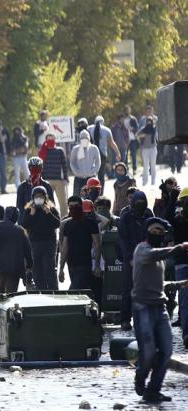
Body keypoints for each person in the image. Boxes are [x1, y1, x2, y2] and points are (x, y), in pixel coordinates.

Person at [131, 218, 188, 403]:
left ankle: (153, 391)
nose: (157, 234)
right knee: (147, 352)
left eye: (160, 232)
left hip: (160, 309)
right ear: (147, 231)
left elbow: (160, 285)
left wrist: (180, 284)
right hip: (143, 308)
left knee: (166, 351)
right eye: (154, 230)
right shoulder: (142, 249)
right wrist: (178, 248)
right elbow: (153, 254)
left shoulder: (160, 259)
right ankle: (140, 378)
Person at [117, 190, 153, 331]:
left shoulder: (149, 214)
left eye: (142, 203)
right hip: (130, 258)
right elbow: (123, 240)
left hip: (147, 256)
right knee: (128, 289)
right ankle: (125, 319)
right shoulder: (125, 218)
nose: (140, 205)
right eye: (137, 203)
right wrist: (130, 258)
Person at [0, 207, 32, 293]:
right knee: (11, 297)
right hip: (14, 271)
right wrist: (29, 266)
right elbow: (28, 252)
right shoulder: (19, 231)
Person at [59, 197, 101, 295]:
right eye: (71, 207)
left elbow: (97, 245)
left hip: (84, 264)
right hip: (71, 265)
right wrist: (61, 269)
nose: (73, 208)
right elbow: (65, 248)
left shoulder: (90, 223)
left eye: (76, 206)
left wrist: (97, 266)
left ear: (81, 207)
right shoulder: (68, 224)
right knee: (81, 293)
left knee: (72, 292)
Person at [22, 186, 61, 290]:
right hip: (34, 244)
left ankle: (54, 290)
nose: (39, 198)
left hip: (49, 243)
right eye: (37, 196)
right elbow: (24, 225)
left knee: (49, 268)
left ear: (45, 197)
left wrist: (49, 213)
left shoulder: (51, 209)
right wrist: (31, 214)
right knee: (37, 269)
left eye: (41, 196)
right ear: (33, 197)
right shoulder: (29, 210)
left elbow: (57, 223)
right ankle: (40, 290)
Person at [16, 156, 54, 225]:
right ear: (29, 168)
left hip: (44, 220)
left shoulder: (46, 185)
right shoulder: (22, 187)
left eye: (38, 168)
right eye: (32, 168)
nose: (35, 170)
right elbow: (19, 208)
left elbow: (52, 205)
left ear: (41, 169)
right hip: (28, 220)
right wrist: (21, 224)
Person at [40, 132, 69, 216]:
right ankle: (51, 220)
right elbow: (40, 167)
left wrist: (66, 178)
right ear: (46, 140)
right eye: (48, 139)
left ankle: (64, 220)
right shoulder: (43, 151)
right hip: (46, 181)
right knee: (48, 204)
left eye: (52, 138)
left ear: (55, 140)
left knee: (63, 203)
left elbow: (64, 165)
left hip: (59, 180)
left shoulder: (60, 151)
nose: (50, 140)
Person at [87, 115, 121, 186]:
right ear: (103, 122)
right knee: (101, 174)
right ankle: (101, 192)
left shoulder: (89, 128)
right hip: (102, 154)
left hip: (91, 154)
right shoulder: (106, 130)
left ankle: (91, 190)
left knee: (91, 174)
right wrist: (118, 153)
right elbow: (112, 143)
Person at [173, 189, 188, 347]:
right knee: (184, 301)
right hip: (182, 264)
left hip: (181, 265)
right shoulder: (177, 220)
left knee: (184, 301)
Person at [70, 130, 101, 197]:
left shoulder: (94, 148)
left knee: (93, 197)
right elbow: (72, 162)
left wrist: (94, 171)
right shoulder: (75, 149)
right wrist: (76, 172)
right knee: (77, 198)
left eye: (86, 138)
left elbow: (98, 161)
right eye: (82, 138)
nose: (84, 140)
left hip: (91, 178)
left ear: (89, 138)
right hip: (79, 178)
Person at [137, 116, 158, 186]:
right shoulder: (143, 129)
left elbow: (157, 137)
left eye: (150, 121)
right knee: (145, 166)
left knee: (153, 165)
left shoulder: (154, 128)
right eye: (148, 121)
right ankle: (144, 181)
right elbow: (137, 135)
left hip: (153, 148)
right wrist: (142, 136)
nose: (149, 123)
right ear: (146, 122)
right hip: (145, 149)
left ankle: (153, 181)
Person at [123, 106, 140, 175]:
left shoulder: (133, 119)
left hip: (132, 139)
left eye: (128, 110)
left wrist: (133, 129)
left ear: (130, 111)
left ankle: (134, 169)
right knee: (125, 155)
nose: (127, 111)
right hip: (125, 140)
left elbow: (137, 128)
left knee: (133, 154)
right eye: (126, 110)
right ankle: (126, 169)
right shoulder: (123, 119)